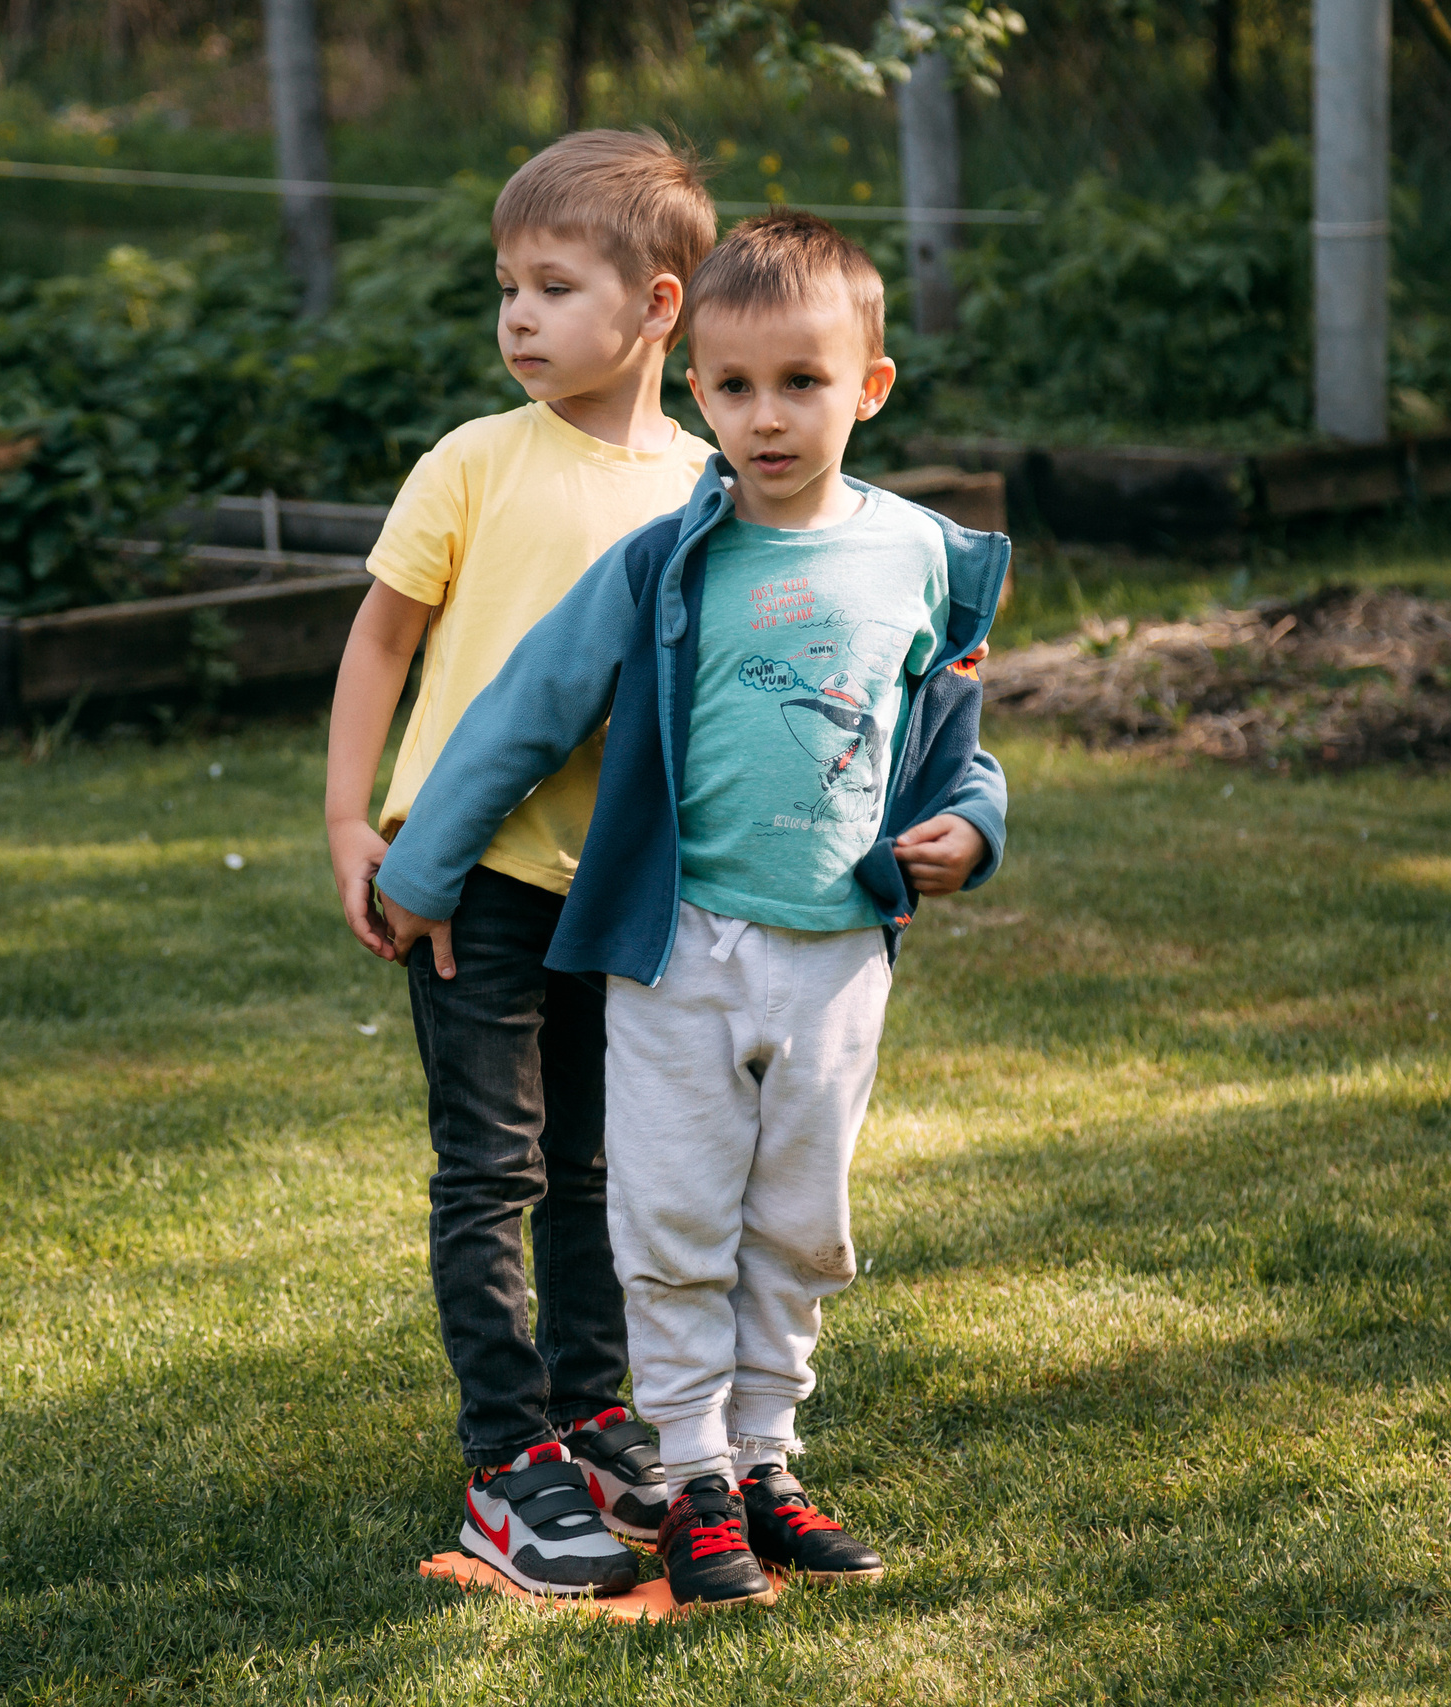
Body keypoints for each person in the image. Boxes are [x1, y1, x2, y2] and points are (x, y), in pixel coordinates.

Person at [373, 210, 1011, 1608]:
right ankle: (692, 1477)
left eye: (801, 383)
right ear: (697, 386)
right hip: (681, 953)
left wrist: (972, 827)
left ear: (871, 386)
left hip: (838, 954)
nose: (766, 417)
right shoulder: (669, 560)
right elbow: (522, 714)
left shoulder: (918, 557)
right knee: (669, 1214)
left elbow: (956, 742)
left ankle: (769, 1464)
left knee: (797, 1219)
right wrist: (417, 872)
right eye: (732, 388)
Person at [323, 129, 718, 1598]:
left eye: (554, 286)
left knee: (603, 1170)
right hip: (463, 881)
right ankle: (508, 1461)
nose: (519, 317)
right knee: (490, 1167)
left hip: (614, 889)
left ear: (659, 306)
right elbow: (382, 638)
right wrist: (350, 820)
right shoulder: (474, 462)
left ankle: (599, 1415)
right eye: (508, 286)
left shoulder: (704, 486)